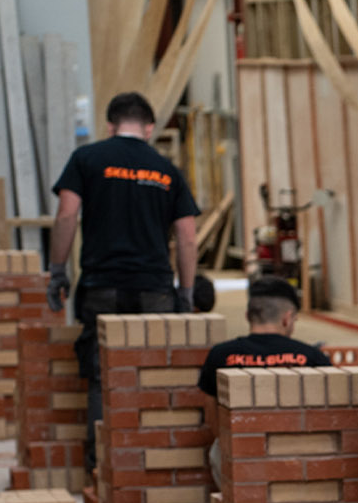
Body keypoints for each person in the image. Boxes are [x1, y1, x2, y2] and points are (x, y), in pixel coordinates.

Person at [48, 92, 201, 470]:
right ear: (149, 128)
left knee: (103, 377)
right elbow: (187, 236)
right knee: (154, 373)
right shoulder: (166, 170)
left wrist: (57, 270)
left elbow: (67, 216)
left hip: (103, 285)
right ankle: (152, 466)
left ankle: (100, 468)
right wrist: (186, 291)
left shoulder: (87, 159)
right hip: (155, 288)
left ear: (110, 125)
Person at [197, 277, 331, 399]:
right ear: (287, 319)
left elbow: (210, 410)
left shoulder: (220, 356)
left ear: (247, 316)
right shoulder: (312, 359)